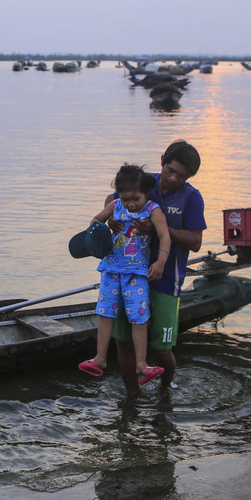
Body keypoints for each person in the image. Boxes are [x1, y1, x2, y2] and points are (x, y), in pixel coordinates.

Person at [108, 141, 206, 403]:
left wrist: (160, 226)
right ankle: (132, 394)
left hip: (166, 280)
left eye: (182, 176)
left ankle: (165, 386)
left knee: (162, 349)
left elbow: (196, 241)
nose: (174, 179)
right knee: (124, 342)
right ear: (162, 160)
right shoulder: (143, 183)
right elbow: (112, 198)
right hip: (126, 276)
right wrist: (111, 218)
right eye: (170, 170)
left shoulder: (191, 197)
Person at [77, 164, 172, 385]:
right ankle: (99, 359)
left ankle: (141, 364)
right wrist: (102, 227)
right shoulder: (115, 205)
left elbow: (165, 237)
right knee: (105, 313)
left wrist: (160, 262)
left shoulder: (153, 210)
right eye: (125, 197)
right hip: (110, 270)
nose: (130, 203)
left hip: (137, 274)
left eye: (135, 198)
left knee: (138, 317)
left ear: (146, 193)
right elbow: (94, 221)